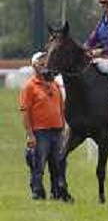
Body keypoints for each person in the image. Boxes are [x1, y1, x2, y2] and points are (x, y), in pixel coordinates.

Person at [19, 52, 72, 201]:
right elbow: (25, 112)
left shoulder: (54, 84)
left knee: (58, 165)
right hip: (40, 132)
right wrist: (30, 134)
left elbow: (61, 108)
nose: (45, 65)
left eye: (46, 62)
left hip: (57, 131)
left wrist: (64, 127)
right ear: (34, 66)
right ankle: (37, 191)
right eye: (41, 63)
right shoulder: (29, 87)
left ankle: (57, 192)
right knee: (38, 164)